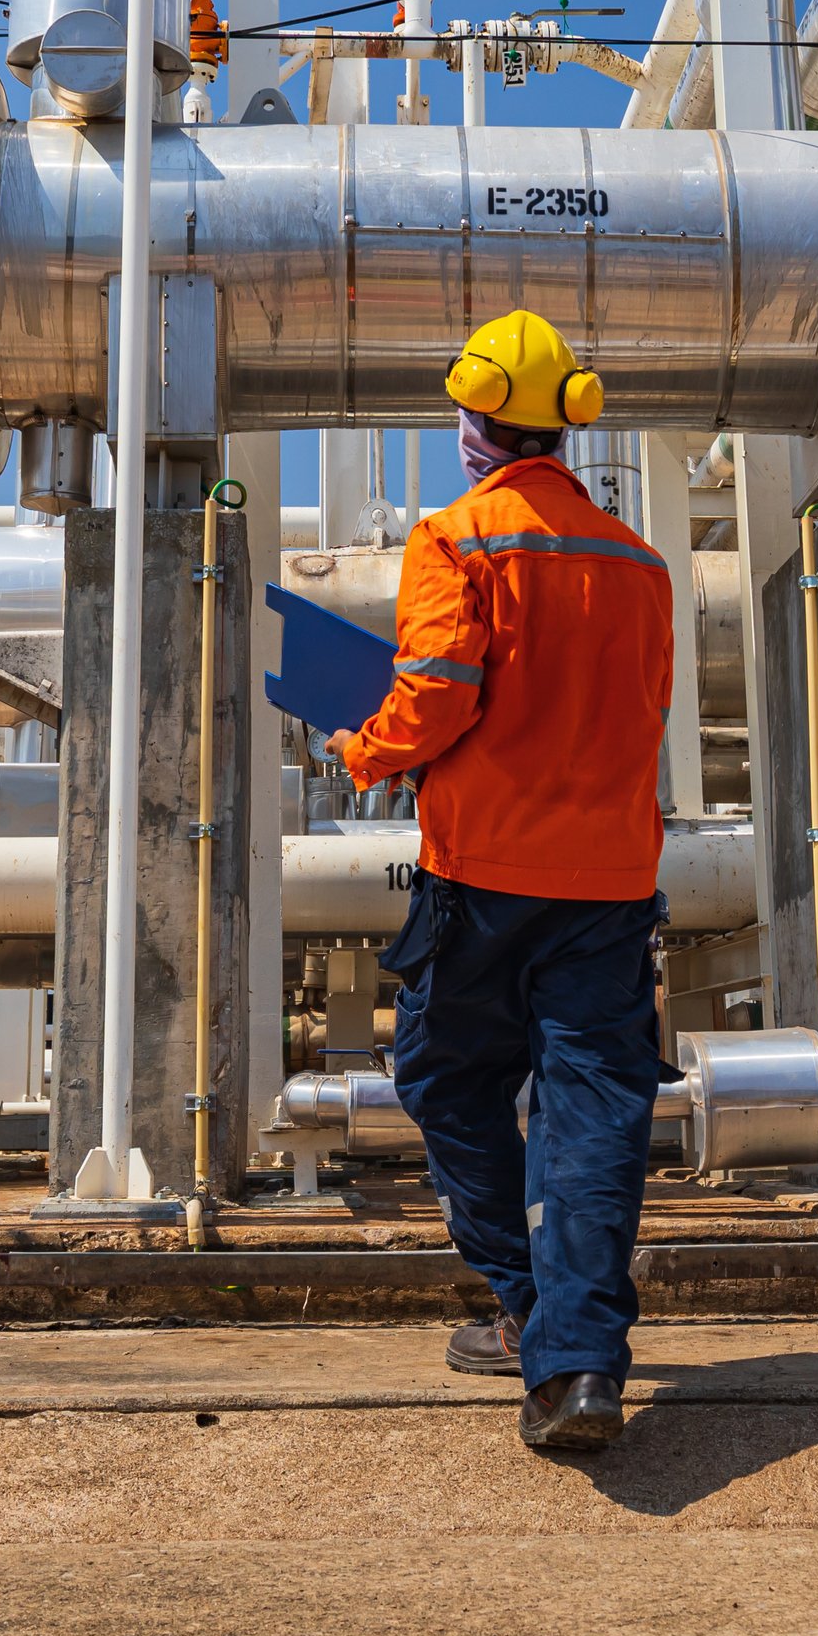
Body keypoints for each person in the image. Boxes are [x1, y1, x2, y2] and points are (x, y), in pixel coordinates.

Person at [332, 309, 675, 1454]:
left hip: (481, 877)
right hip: (611, 879)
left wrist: (361, 748)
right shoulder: (638, 563)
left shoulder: (456, 537)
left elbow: (433, 698)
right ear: (562, 429)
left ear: (475, 423)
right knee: (591, 1112)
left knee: (441, 1077)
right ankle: (573, 1361)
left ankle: (531, 1310)